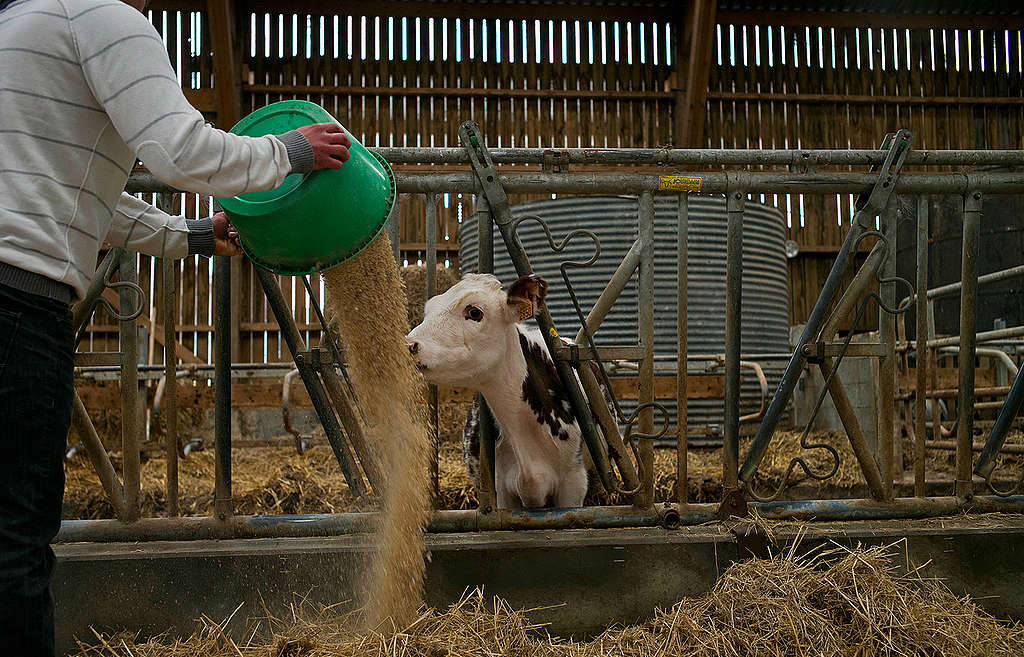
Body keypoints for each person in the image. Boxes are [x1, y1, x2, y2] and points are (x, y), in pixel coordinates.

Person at [0, 0, 352, 653]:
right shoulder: (103, 17)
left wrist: (188, 235)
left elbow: (77, 195)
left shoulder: (20, 27)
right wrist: (290, 151)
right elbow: (177, 150)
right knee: (13, 541)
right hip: (17, 304)